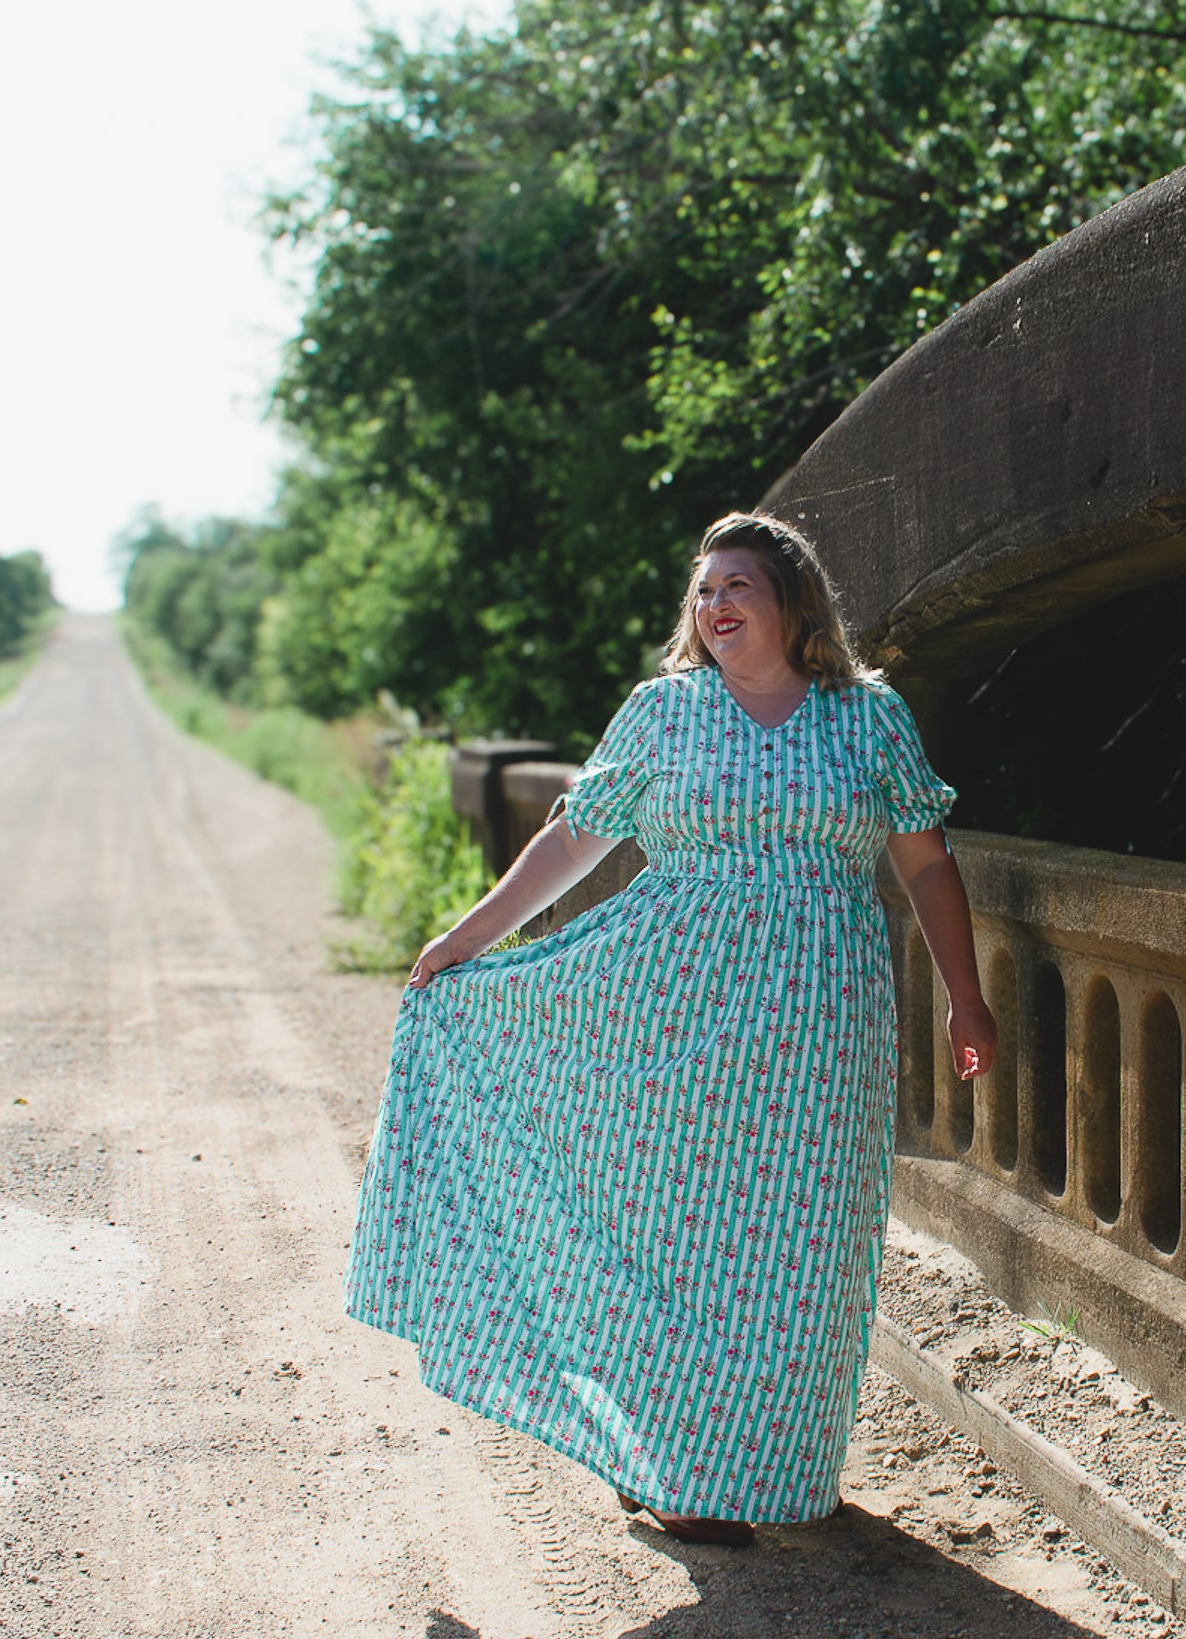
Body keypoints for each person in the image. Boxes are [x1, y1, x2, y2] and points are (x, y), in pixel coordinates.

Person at [344, 512, 997, 1546]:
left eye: (738, 583)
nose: (716, 604)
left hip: (821, 1022)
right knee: (679, 1234)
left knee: (806, 1238)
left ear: (793, 600)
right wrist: (464, 938)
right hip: (669, 1011)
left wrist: (965, 994)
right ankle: (683, 1468)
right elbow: (572, 840)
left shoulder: (865, 718)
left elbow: (923, 861)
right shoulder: (664, 712)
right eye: (703, 591)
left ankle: (780, 1462)